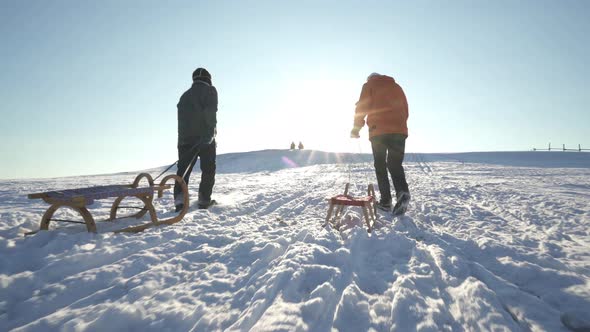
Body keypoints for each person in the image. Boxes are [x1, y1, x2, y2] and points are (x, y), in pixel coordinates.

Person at [350, 72, 410, 215]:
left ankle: (385, 202)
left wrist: (356, 128)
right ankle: (403, 192)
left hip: (379, 132)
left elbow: (362, 107)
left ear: (370, 78)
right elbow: (405, 109)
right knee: (395, 164)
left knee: (380, 165)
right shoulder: (397, 87)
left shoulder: (369, 85)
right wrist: (399, 125)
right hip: (399, 131)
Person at [175, 67, 218, 211]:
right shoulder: (210, 91)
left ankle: (180, 201)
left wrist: (183, 140)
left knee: (183, 171)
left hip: (184, 141)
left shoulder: (184, 95)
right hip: (205, 139)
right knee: (208, 169)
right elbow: (210, 112)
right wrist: (211, 132)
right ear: (208, 79)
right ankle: (204, 199)